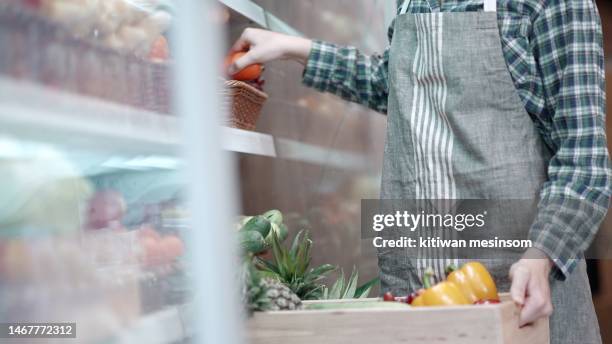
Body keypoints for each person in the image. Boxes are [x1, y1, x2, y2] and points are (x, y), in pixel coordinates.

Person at [228, 0, 611, 342]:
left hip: (522, 294)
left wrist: (541, 256)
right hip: (417, 292)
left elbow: (585, 162)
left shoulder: (558, 5)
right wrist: (294, 48)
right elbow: (388, 84)